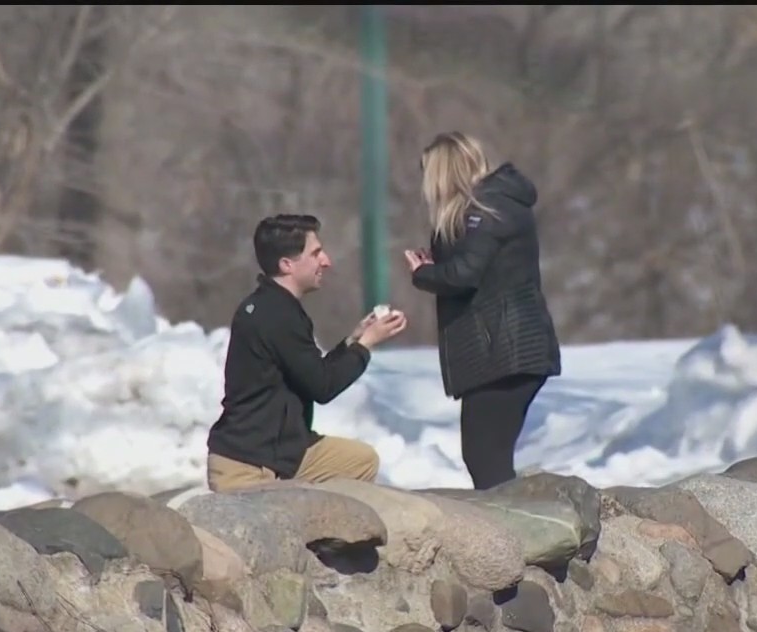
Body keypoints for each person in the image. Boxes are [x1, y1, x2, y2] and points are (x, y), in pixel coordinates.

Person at [403, 131, 562, 490]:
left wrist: (423, 273)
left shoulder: (486, 210)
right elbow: (475, 264)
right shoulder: (493, 207)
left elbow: (464, 274)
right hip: (506, 351)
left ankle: (514, 536)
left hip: (506, 352)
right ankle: (517, 530)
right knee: (487, 456)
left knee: (484, 456)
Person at [207, 213, 408, 492]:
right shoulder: (277, 315)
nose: (326, 261)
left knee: (359, 461)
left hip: (282, 453)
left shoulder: (273, 306)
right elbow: (323, 387)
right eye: (315, 254)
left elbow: (310, 371)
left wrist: (353, 341)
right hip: (250, 465)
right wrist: (366, 346)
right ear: (287, 264)